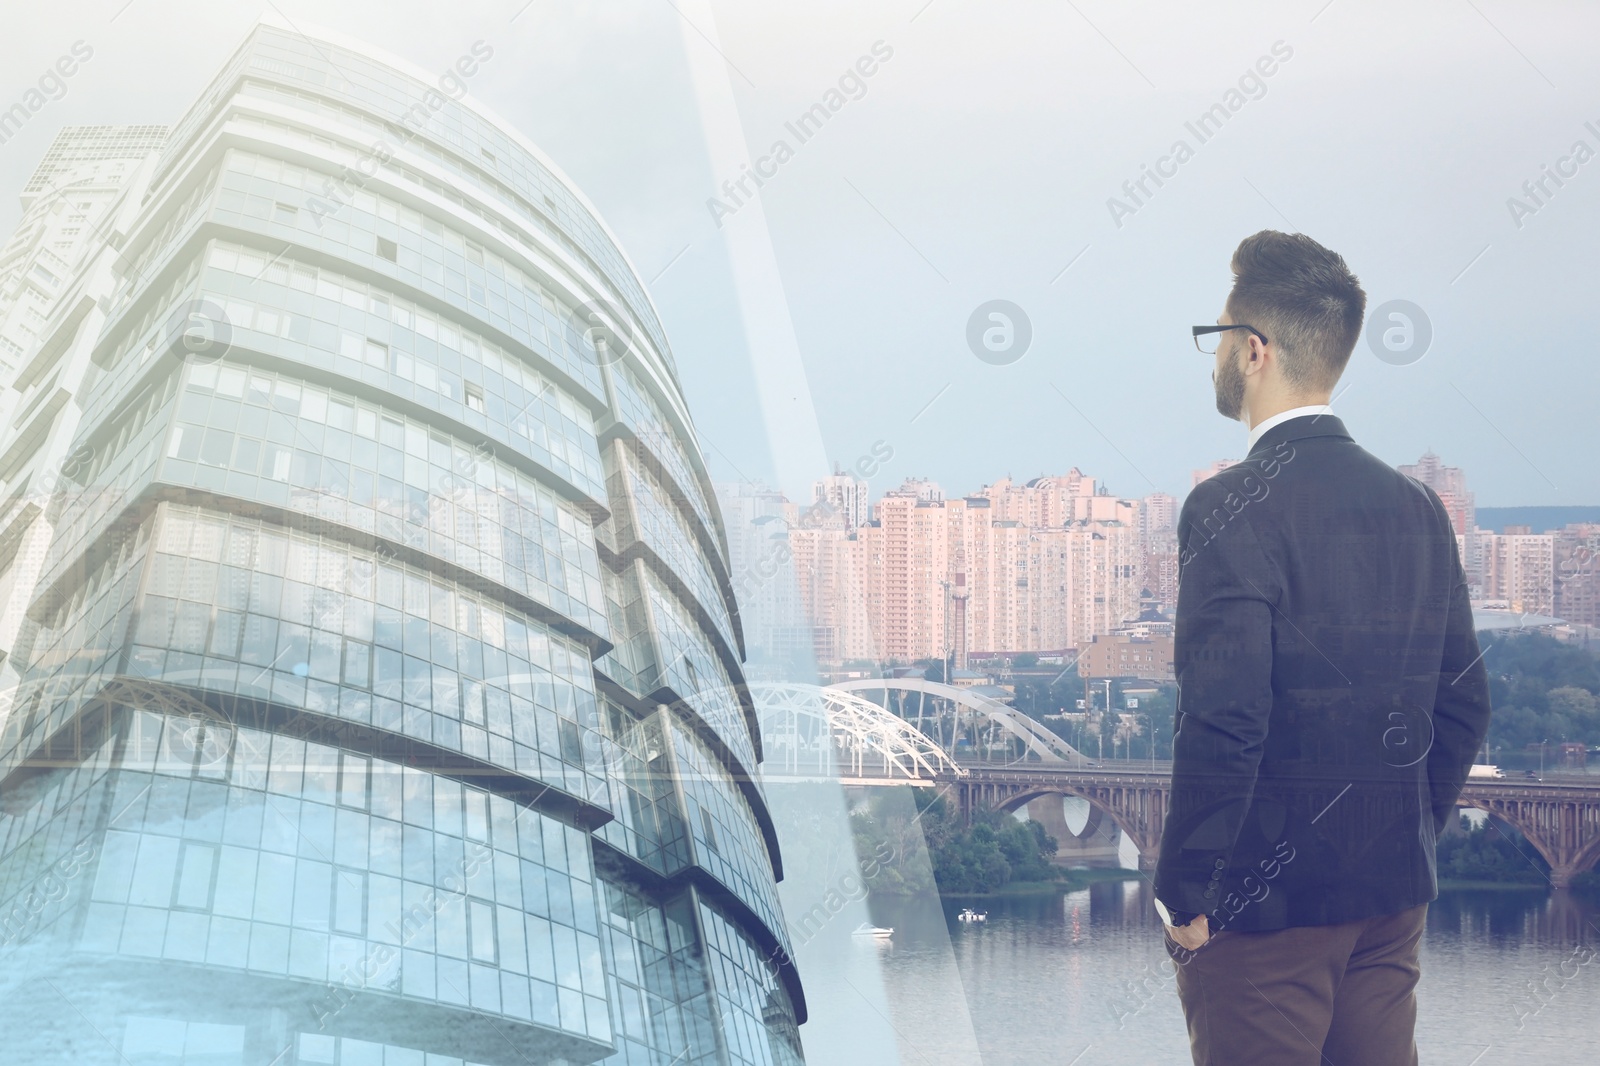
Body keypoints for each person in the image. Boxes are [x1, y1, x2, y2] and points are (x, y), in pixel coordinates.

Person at [1153, 230, 1493, 1065]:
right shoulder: (1416, 507)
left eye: (1219, 338)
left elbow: (1227, 717)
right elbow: (1463, 704)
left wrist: (1185, 889)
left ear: (1255, 350)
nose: (1215, 359)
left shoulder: (1230, 505)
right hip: (1388, 903)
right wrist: (1404, 832)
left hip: (1263, 920)